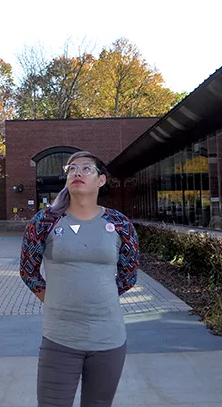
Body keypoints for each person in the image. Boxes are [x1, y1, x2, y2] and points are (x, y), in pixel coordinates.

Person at [20, 150, 139, 407]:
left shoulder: (120, 224)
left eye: (87, 169)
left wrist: (99, 296)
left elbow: (129, 275)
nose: (77, 173)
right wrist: (54, 299)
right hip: (59, 340)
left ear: (101, 180)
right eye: (72, 169)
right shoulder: (44, 221)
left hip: (108, 340)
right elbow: (28, 272)